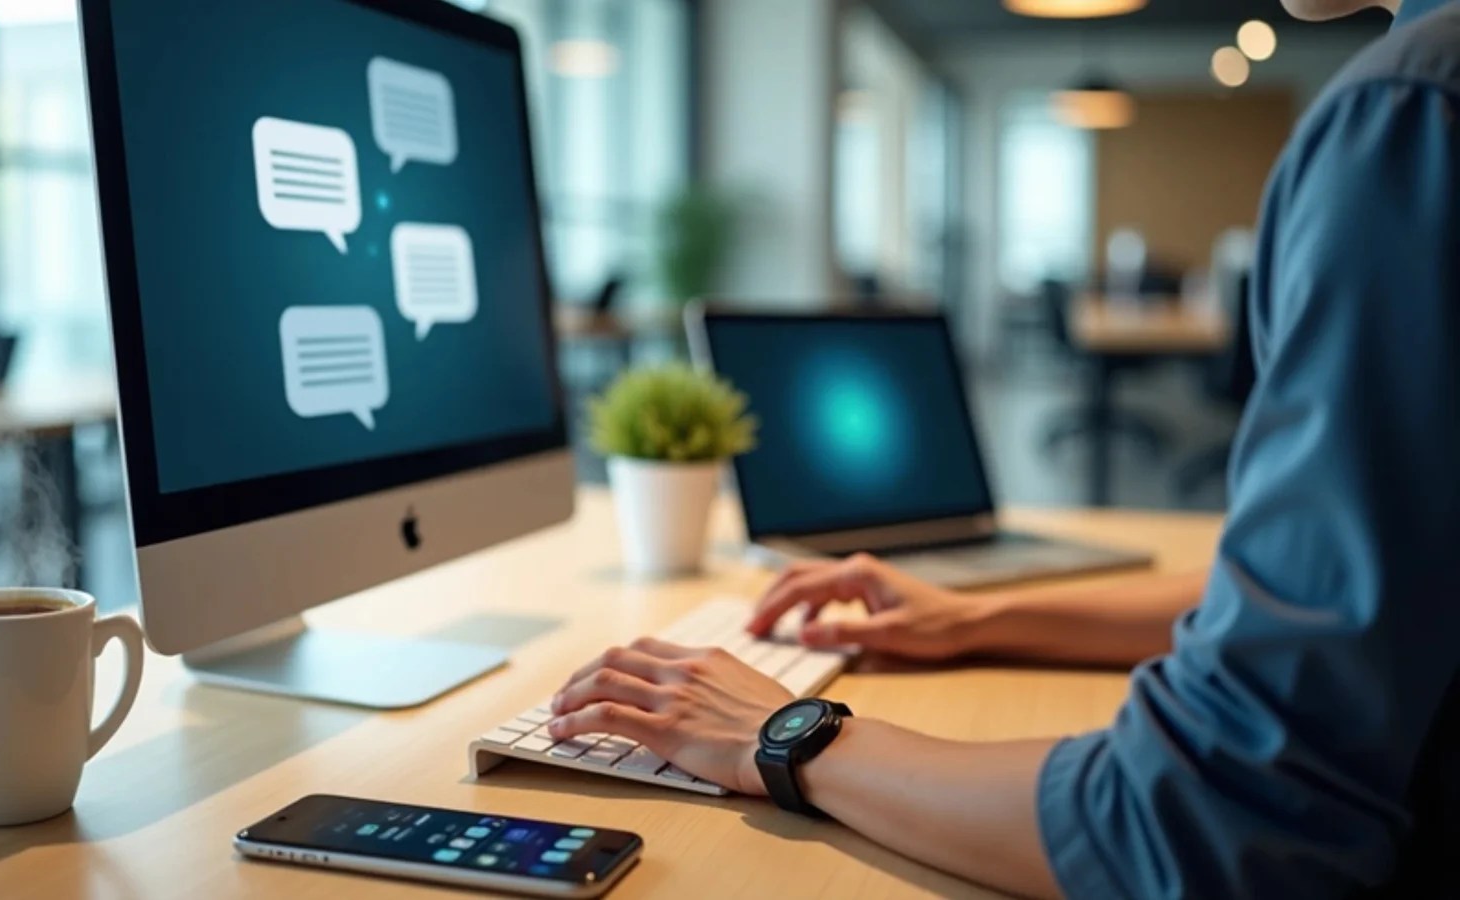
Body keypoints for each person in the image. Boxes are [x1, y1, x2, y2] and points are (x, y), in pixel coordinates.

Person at [546, 0, 1460, 895]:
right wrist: (977, 620)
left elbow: (1206, 824)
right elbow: (1371, 593)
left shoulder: (1408, 109)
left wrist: (784, 734)